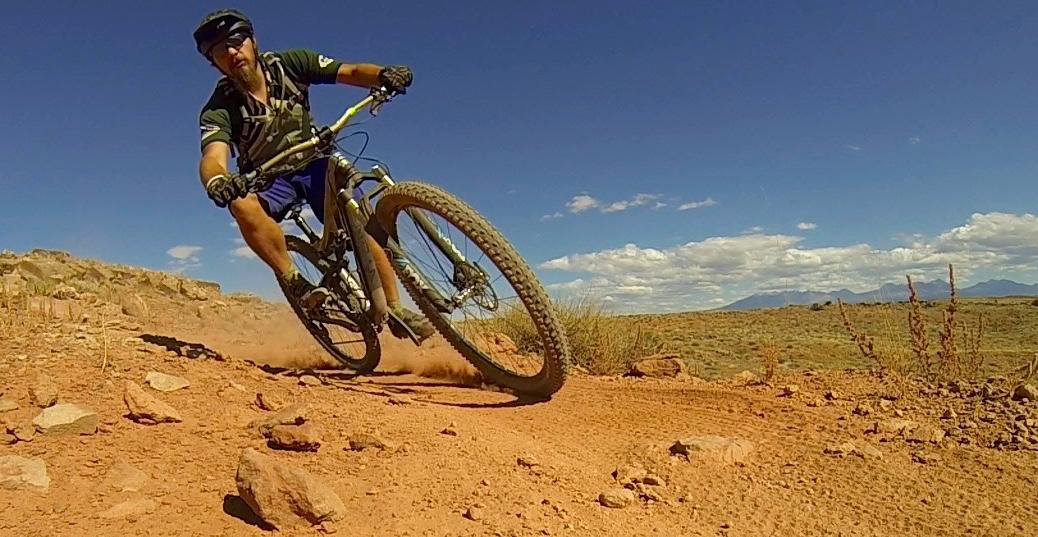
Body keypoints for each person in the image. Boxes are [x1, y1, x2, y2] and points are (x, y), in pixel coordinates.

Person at [193, 9, 434, 341]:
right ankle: (293, 278)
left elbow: (348, 71)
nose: (231, 53)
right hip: (270, 179)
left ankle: (394, 307)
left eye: (236, 41)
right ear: (214, 63)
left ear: (253, 41)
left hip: (314, 163)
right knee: (240, 202)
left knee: (360, 219)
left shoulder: (290, 64)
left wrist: (383, 75)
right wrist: (218, 180)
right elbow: (213, 155)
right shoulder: (219, 107)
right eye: (219, 51)